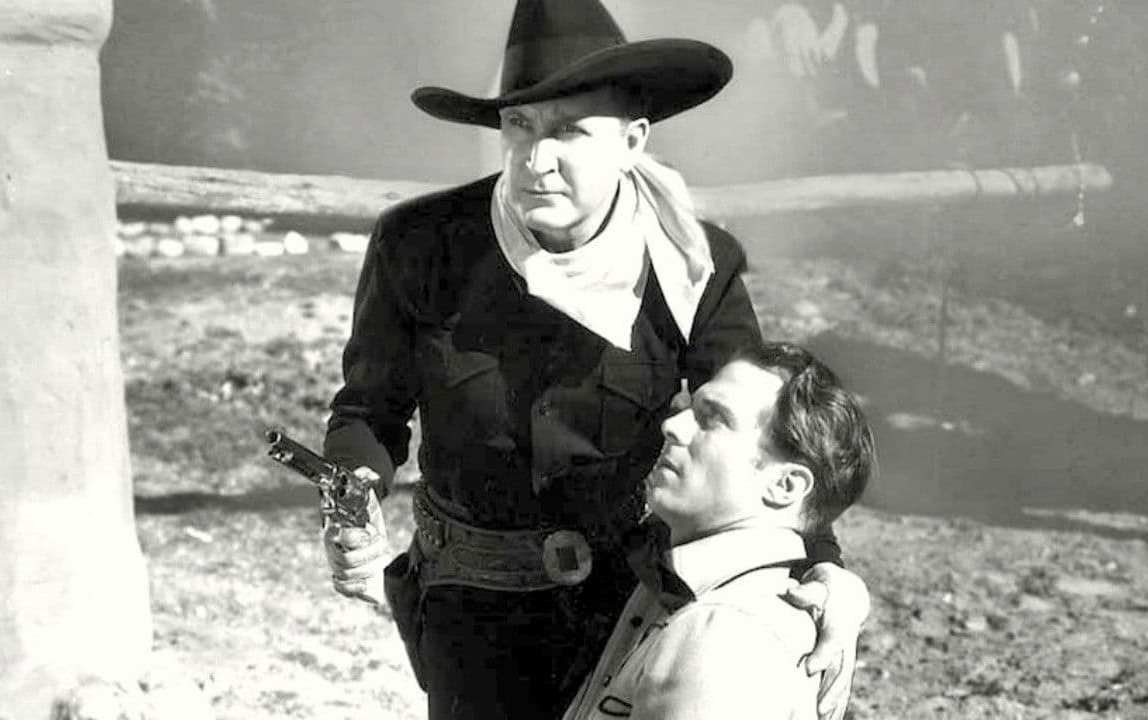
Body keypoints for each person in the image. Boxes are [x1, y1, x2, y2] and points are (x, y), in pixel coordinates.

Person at [321, 1, 870, 718]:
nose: (534, 161)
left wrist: (827, 569)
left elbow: (756, 434)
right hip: (469, 606)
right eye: (518, 125)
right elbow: (369, 411)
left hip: (628, 598)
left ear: (632, 141)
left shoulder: (693, 264)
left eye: (569, 131)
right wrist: (352, 495)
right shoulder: (421, 245)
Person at [563, 342, 874, 720]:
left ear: (785, 485)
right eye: (688, 409)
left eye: (713, 419)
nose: (672, 426)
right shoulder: (678, 588)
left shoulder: (722, 634)